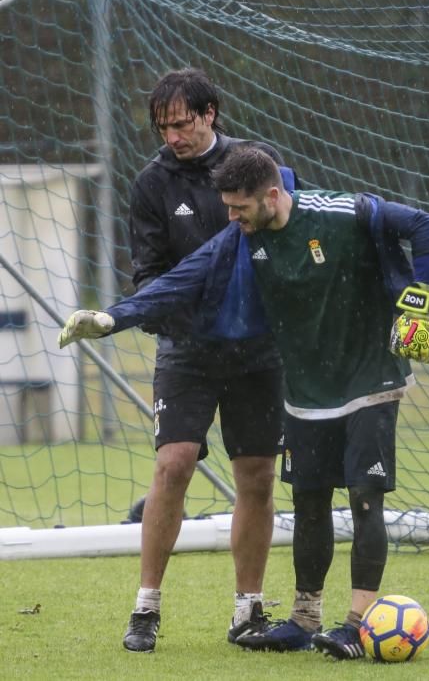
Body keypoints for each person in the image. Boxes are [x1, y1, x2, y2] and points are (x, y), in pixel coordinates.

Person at [58, 147, 429, 660]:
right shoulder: (242, 238)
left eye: (239, 208)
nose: (232, 218)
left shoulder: (344, 211)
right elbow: (181, 279)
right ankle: (305, 620)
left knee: (363, 495)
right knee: (308, 502)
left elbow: (426, 226)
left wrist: (414, 300)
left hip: (371, 375)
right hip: (307, 387)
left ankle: (357, 624)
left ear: (272, 195)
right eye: (228, 209)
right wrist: (113, 319)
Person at [101, 69, 296, 654]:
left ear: (211, 113)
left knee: (257, 477)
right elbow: (148, 275)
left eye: (182, 123)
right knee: (174, 464)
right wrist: (187, 316)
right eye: (163, 127)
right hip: (186, 350)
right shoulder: (151, 183)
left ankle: (249, 611)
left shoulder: (256, 164)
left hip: (259, 355)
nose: (173, 136)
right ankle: (146, 608)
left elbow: (284, 240)